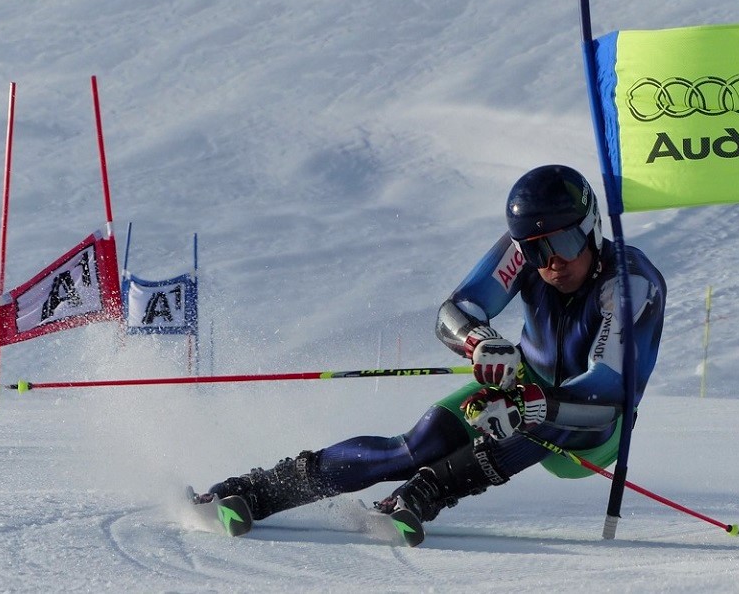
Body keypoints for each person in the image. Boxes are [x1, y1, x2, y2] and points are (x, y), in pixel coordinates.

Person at [196, 164, 666, 543]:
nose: (551, 263)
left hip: (595, 422)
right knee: (415, 446)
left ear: (591, 228)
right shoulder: (525, 251)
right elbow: (457, 309)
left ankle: (423, 495)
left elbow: (609, 388)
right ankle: (256, 491)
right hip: (527, 387)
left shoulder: (629, 284)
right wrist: (481, 341)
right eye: (536, 252)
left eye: (563, 243)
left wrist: (533, 404)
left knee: (539, 420)